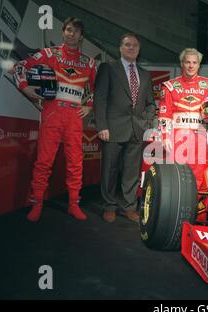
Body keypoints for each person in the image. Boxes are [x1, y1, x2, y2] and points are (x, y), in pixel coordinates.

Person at [13, 17, 96, 222]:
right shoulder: (50, 53)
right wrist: (25, 87)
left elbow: (99, 89)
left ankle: (73, 204)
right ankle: (36, 204)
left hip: (75, 117)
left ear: (81, 36)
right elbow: (20, 66)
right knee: (44, 161)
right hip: (52, 112)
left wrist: (89, 105)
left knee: (76, 162)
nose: (72, 34)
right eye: (68, 30)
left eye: (76, 31)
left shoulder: (89, 62)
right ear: (63, 32)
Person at [94, 33, 156, 223]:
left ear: (139, 50)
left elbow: (151, 104)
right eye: (127, 45)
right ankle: (109, 206)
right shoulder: (108, 68)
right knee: (109, 170)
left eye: (135, 46)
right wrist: (102, 125)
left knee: (131, 172)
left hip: (136, 130)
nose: (131, 48)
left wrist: (146, 121)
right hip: (112, 129)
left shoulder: (145, 74)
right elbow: (100, 99)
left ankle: (128, 207)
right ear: (120, 48)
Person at [158, 48, 208, 187]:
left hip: (199, 135)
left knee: (198, 173)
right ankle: (176, 205)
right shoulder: (170, 86)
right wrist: (165, 137)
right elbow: (164, 114)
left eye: (194, 62)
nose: (191, 65)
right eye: (188, 62)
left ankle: (194, 206)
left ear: (199, 65)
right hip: (177, 136)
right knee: (177, 173)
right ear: (182, 64)